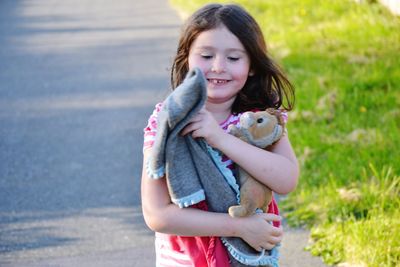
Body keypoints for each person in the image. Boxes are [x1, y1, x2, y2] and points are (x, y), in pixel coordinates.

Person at [141, 3, 299, 267]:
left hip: (252, 256)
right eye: (205, 56)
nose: (218, 67)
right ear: (187, 59)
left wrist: (221, 138)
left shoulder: (260, 120)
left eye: (234, 58)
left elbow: (286, 179)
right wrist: (238, 227)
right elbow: (156, 214)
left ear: (252, 66)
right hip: (187, 259)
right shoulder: (169, 120)